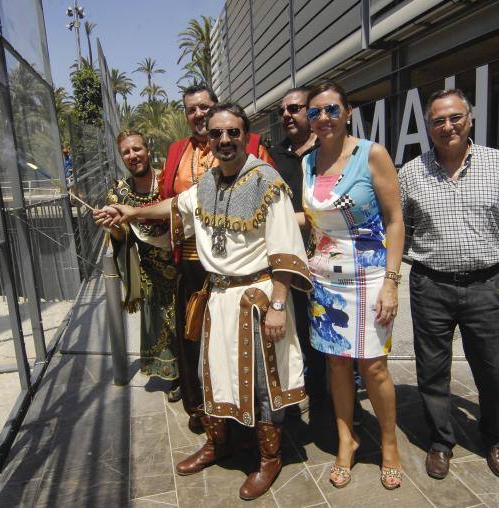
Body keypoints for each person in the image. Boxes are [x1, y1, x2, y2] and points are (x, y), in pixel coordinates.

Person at [96, 103, 311, 501]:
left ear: (245, 136)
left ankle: (269, 458)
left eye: (233, 133)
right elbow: (174, 207)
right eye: (217, 134)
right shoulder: (207, 184)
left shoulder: (268, 182)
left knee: (264, 384)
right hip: (216, 298)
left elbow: (285, 250)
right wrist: (130, 212)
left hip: (258, 298)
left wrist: (279, 306)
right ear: (208, 139)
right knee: (210, 373)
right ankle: (218, 444)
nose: (225, 140)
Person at [399, 89, 499, 480]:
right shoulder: (411, 173)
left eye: (455, 117)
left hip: (486, 285)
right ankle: (441, 441)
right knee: (432, 370)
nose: (447, 126)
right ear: (428, 126)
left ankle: (494, 438)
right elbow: (398, 229)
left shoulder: (497, 164)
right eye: (438, 120)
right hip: (431, 286)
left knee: (495, 369)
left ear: (469, 120)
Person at [299, 82, 405, 490]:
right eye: (315, 112)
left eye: (330, 110)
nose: (322, 118)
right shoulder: (308, 162)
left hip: (371, 276)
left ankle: (390, 445)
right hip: (325, 279)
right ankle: (347, 441)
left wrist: (392, 283)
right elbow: (312, 220)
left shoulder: (371, 154)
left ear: (347, 112)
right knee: (337, 364)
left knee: (373, 365)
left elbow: (395, 221)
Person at [160, 84, 274, 432]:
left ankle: (253, 418)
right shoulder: (177, 151)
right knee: (195, 338)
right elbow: (173, 201)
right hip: (191, 262)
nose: (197, 114)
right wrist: (130, 214)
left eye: (203, 107)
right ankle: (205, 413)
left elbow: (269, 207)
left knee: (242, 343)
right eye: (191, 109)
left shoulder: (251, 148)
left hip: (242, 266)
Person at [100, 130, 179, 383]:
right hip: (150, 272)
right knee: (163, 329)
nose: (133, 155)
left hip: (181, 265)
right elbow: (121, 238)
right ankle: (175, 378)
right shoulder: (119, 194)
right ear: (121, 157)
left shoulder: (169, 179)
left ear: (148, 150)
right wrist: (111, 224)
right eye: (126, 152)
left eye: (137, 149)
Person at [267, 87, 326, 412]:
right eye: (283, 111)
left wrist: (287, 218)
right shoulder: (274, 156)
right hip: (289, 264)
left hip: (327, 262)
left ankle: (332, 404)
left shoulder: (329, 150)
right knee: (297, 334)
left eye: (295, 108)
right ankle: (302, 395)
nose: (287, 115)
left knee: (327, 336)